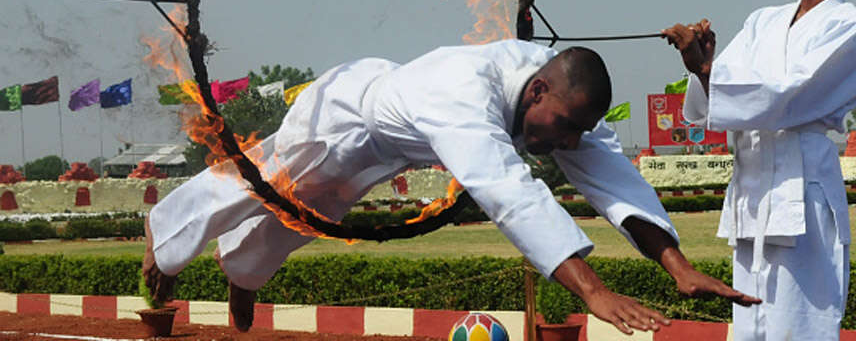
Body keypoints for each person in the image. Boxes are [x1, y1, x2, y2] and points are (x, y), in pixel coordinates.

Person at [144, 41, 758, 333]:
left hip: (387, 149)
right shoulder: (463, 91)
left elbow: (612, 176)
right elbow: (507, 190)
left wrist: (675, 265)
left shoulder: (557, 102)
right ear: (539, 92)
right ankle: (165, 241)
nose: (569, 143)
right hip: (341, 118)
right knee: (258, 185)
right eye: (566, 127)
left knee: (295, 228)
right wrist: (593, 291)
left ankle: (241, 276)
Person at [662, 0, 856, 340]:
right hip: (753, 190)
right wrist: (707, 69)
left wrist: (709, 71)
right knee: (750, 320)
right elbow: (719, 91)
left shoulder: (850, 29)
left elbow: (787, 96)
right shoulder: (763, 21)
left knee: (800, 318)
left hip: (802, 187)